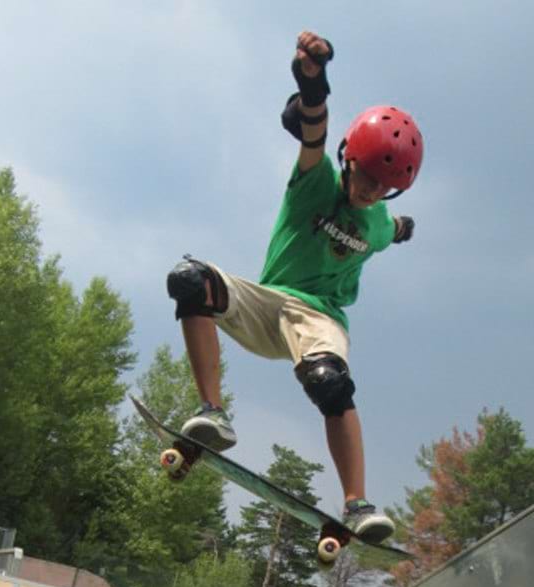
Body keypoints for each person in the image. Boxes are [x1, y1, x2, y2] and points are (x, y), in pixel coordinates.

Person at [166, 30, 423, 544]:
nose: (368, 191)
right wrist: (312, 80)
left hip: (321, 320)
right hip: (268, 304)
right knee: (189, 280)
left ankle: (356, 504)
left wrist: (404, 227)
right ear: (350, 157)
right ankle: (212, 413)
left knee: (331, 383)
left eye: (381, 187)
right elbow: (313, 131)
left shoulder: (378, 221)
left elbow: (390, 230)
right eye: (365, 175)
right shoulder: (316, 178)